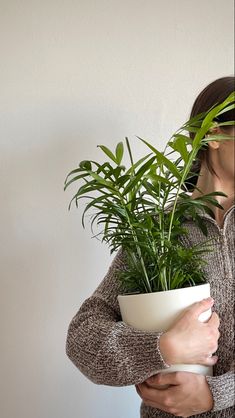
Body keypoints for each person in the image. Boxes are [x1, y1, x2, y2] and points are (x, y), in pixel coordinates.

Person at [66, 76, 234, 418]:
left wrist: (215, 394)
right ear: (215, 134)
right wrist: (160, 347)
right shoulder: (158, 230)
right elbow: (83, 337)